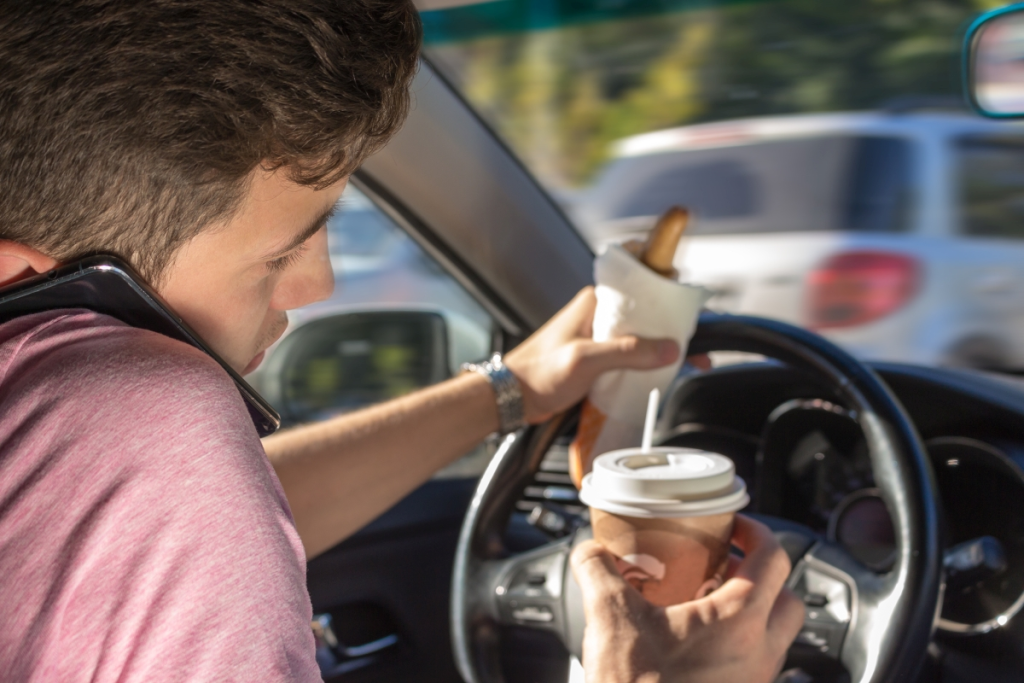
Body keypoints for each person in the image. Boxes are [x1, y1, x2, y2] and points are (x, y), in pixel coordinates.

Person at [0, 1, 802, 681]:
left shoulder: (66, 435)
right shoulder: (141, 417)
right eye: (279, 254)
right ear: (20, 274)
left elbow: (171, 532)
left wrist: (508, 390)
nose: (318, 288)